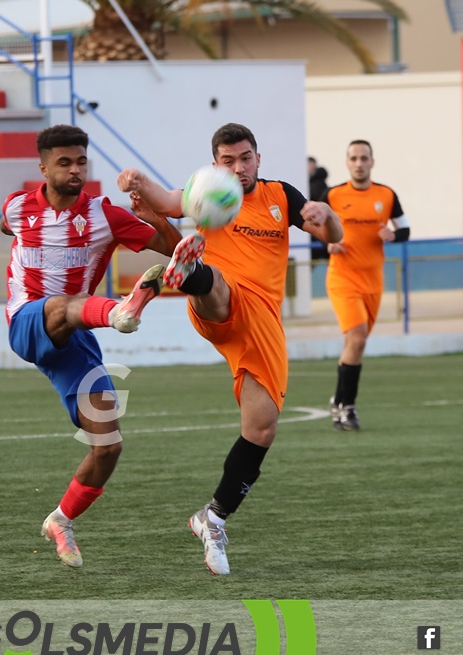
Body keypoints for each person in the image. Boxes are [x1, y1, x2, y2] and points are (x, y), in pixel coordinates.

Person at [118, 123, 342, 575]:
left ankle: (213, 518)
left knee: (262, 428)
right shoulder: (208, 190)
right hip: (220, 301)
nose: (237, 168)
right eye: (228, 160)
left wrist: (325, 213)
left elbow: (330, 234)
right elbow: (162, 200)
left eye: (245, 158)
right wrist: (135, 182)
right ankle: (188, 272)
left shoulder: (282, 196)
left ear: (258, 158)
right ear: (216, 163)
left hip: (262, 322)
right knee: (218, 284)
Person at [3, 125, 181, 569]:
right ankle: (122, 310)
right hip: (28, 320)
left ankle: (61, 521)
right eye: (64, 162)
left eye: (81, 161)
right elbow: (6, 222)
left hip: (76, 335)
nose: (75, 170)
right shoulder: (18, 206)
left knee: (108, 446)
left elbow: (176, 253)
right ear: (43, 168)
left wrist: (156, 217)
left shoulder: (106, 215)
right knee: (63, 304)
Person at [321, 139, 410, 431]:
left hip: (373, 281)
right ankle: (347, 407)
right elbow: (315, 231)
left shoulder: (386, 195)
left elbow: (405, 228)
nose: (359, 163)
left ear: (372, 162)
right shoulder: (332, 195)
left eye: (364, 158)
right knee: (357, 338)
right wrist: (327, 247)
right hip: (342, 279)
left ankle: (338, 401)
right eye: (353, 158)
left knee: (355, 345)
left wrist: (392, 235)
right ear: (347, 163)